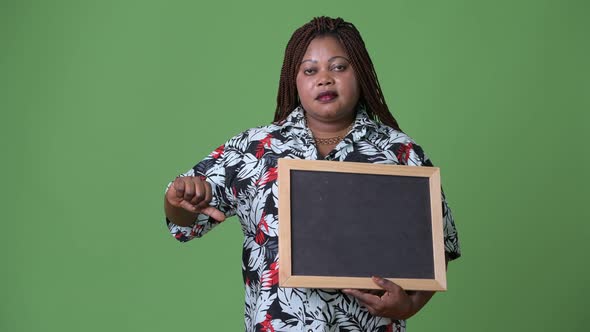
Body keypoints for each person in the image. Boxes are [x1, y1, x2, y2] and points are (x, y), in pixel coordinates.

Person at [164, 16, 460, 332]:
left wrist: (410, 305)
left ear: (360, 72)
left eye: (339, 67)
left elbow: (437, 246)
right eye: (310, 70)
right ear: (294, 80)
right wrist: (179, 200)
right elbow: (184, 221)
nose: (324, 79)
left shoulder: (400, 153)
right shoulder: (256, 149)